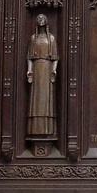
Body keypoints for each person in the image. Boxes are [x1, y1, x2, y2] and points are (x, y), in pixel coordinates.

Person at [26, 12, 59, 142]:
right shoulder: (33, 38)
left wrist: (54, 70)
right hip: (36, 69)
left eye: (42, 18)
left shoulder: (51, 39)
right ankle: (34, 128)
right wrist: (29, 70)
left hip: (47, 68)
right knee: (36, 98)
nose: (40, 20)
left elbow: (55, 57)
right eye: (38, 18)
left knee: (46, 98)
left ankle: (48, 129)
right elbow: (29, 57)